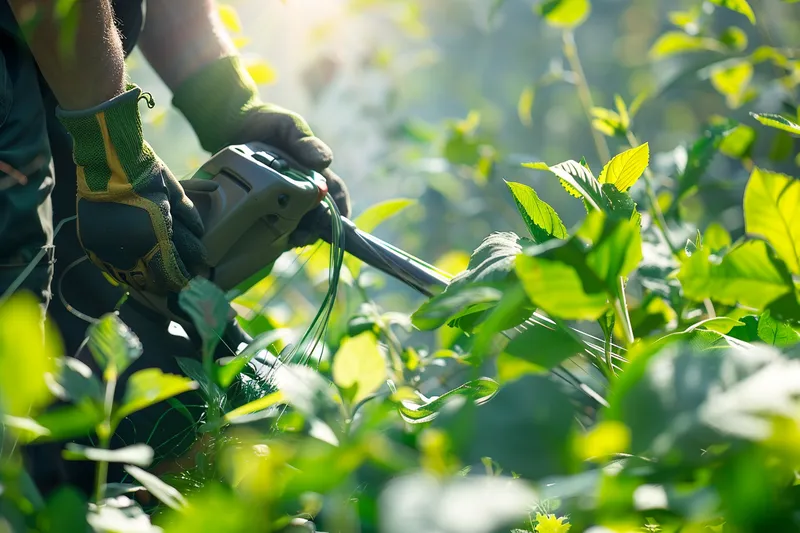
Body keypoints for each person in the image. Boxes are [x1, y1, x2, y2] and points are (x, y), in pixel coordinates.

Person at [0, 0, 350, 500]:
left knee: (74, 357)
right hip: (29, 101)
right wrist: (110, 147)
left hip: (66, 85)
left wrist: (224, 101)